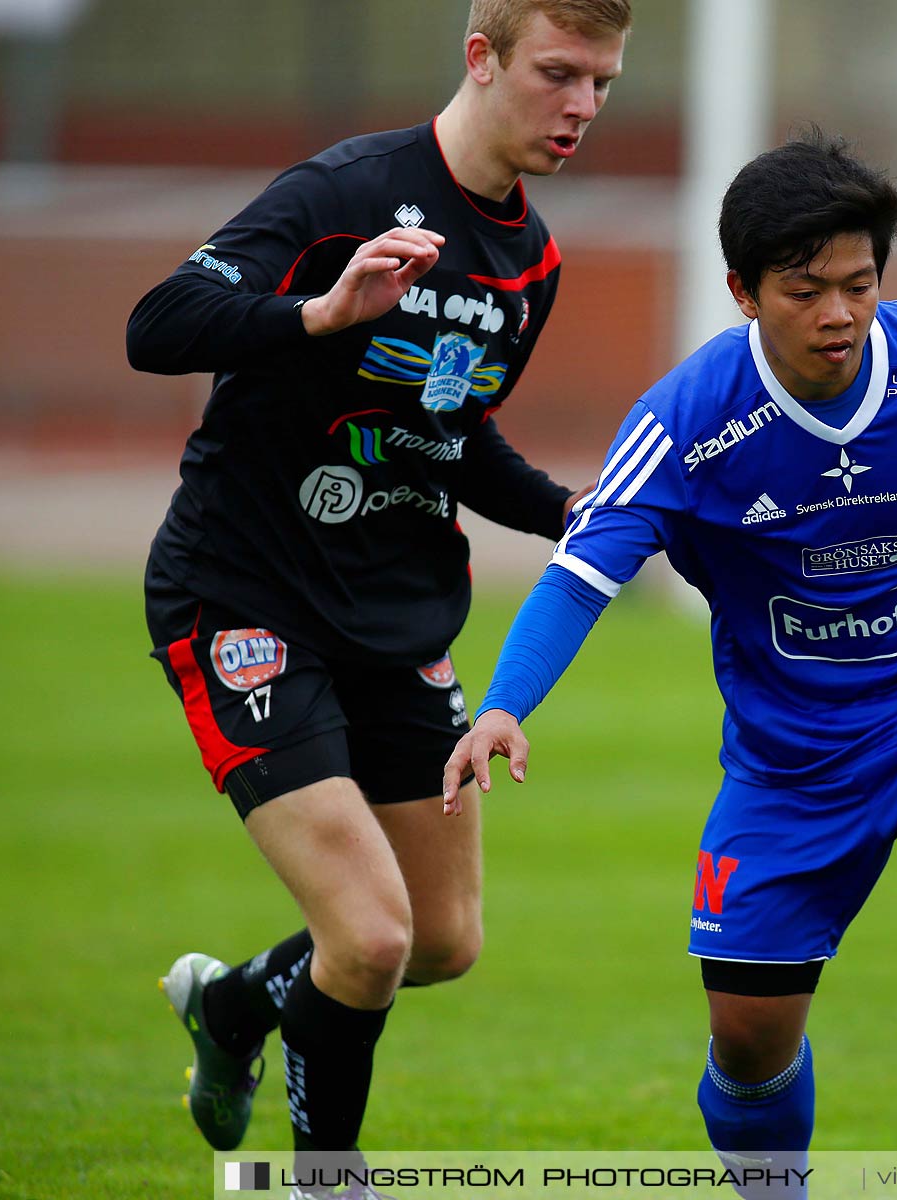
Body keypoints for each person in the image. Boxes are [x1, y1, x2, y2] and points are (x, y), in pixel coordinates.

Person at [443, 132, 897, 1188]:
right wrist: (500, 705)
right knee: (749, 1038)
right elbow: (582, 577)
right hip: (794, 752)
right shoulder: (687, 425)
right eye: (806, 290)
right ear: (743, 292)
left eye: (858, 284)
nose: (841, 312)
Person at [127, 0, 630, 1188]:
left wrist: (588, 516)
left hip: (397, 614)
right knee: (370, 935)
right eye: (558, 73)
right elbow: (159, 325)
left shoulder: (531, 261)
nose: (582, 107)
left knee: (442, 943)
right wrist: (318, 313)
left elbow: (447, 435)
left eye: (602, 83)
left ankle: (241, 1006)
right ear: (481, 57)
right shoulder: (344, 195)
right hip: (245, 595)